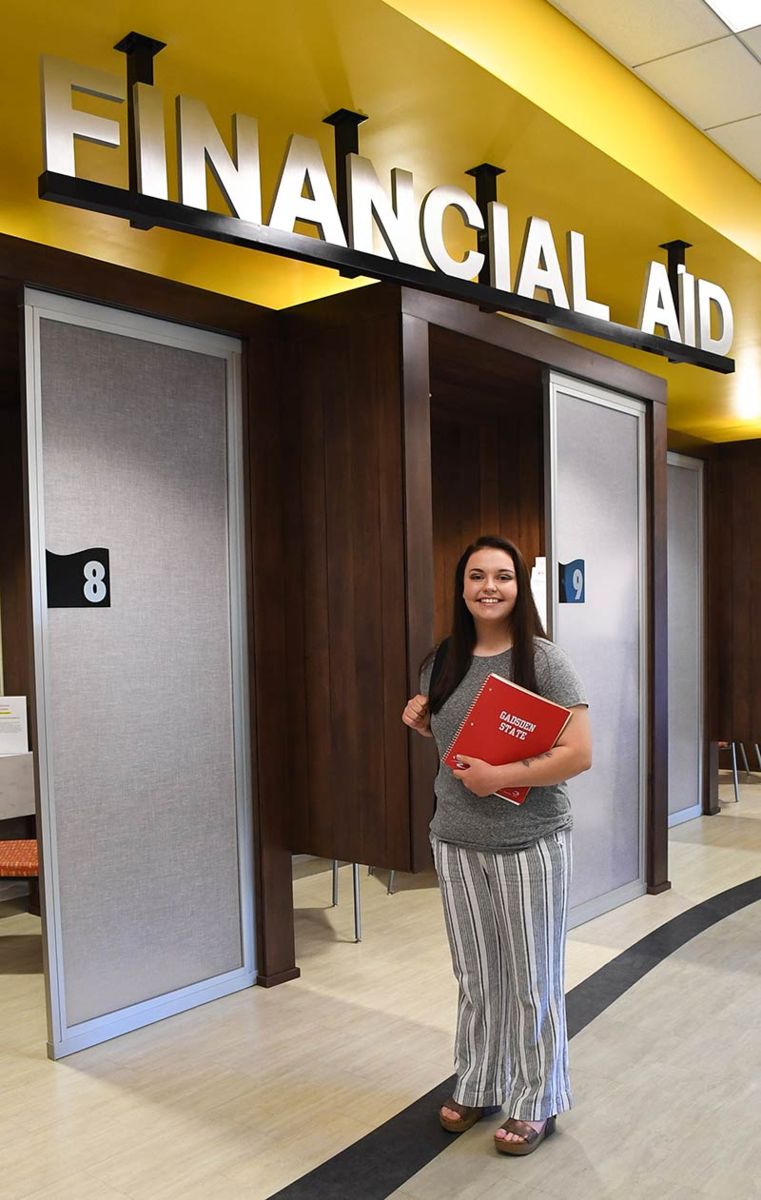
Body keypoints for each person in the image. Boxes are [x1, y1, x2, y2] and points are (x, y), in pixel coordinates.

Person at [402, 535, 591, 1157]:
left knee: (532, 977)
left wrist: (501, 779)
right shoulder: (442, 661)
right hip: (455, 841)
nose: (490, 587)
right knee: (477, 976)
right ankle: (480, 1080)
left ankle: (537, 1099)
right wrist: (425, 720)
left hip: (529, 841)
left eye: (503, 577)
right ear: (461, 586)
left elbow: (578, 754)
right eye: (477, 575)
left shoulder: (544, 661)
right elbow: (455, 739)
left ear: (519, 587)